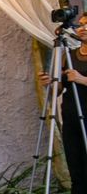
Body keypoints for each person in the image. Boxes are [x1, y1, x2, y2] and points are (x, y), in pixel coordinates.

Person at [38, 12, 87, 194]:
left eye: (86, 25)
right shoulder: (70, 54)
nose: (82, 28)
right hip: (72, 117)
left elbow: (78, 80)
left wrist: (82, 79)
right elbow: (60, 89)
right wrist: (52, 83)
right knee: (76, 169)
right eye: (80, 25)